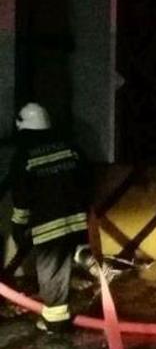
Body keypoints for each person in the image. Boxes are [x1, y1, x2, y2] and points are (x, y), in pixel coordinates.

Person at [9, 103, 91, 334]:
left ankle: (55, 323)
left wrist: (18, 228)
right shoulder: (70, 148)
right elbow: (86, 181)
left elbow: (21, 199)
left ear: (22, 127)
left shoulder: (24, 157)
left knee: (51, 272)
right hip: (77, 221)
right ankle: (82, 255)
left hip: (48, 227)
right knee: (63, 261)